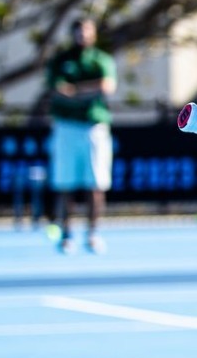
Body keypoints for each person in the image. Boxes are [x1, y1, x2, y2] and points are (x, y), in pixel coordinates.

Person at [45, 16, 117, 255]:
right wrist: (86, 90)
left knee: (95, 183)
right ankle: (67, 234)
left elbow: (106, 86)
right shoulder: (61, 60)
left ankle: (93, 233)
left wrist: (76, 91)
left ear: (93, 34)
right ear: (73, 34)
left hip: (93, 128)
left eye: (87, 32)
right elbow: (58, 91)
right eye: (79, 32)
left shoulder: (101, 60)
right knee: (65, 184)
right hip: (66, 127)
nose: (82, 36)